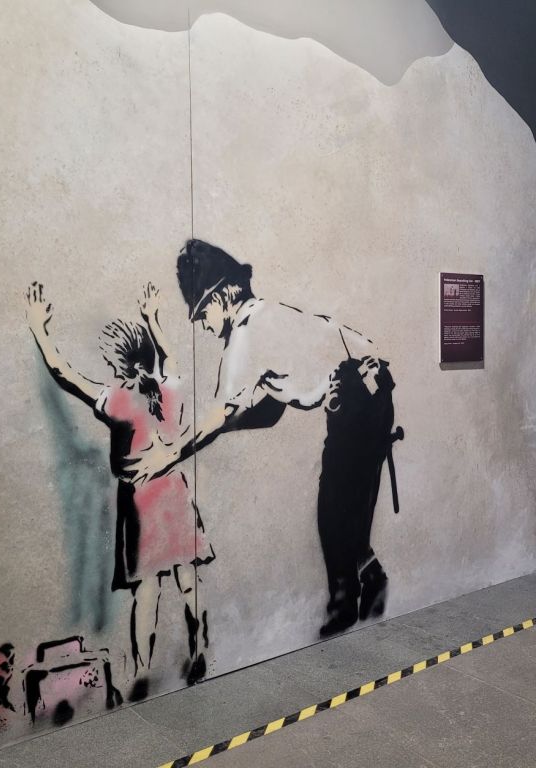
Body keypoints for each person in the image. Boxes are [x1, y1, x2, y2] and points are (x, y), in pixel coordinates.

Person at [123, 239, 401, 637]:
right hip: (370, 393)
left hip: (356, 396)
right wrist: (225, 426)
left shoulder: (246, 334)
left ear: (223, 296)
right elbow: (269, 412)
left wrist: (168, 454)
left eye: (202, 312)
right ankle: (370, 578)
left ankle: (344, 608)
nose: (202, 324)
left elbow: (219, 413)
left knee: (333, 512)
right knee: (347, 507)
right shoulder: (269, 316)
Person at [25, 281, 213, 699]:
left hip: (141, 502)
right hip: (175, 494)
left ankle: (143, 671)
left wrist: (39, 328)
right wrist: (153, 318)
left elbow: (64, 374)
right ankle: (200, 647)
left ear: (115, 362)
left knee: (147, 590)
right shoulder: (167, 388)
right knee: (188, 579)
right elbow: (172, 358)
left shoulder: (117, 399)